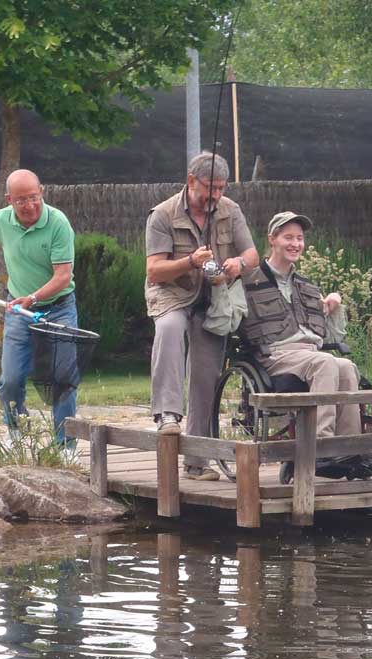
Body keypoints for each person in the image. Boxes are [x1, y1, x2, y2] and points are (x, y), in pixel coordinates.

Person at [145, 152, 258, 481]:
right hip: (172, 293)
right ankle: (167, 414)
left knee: (206, 373)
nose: (216, 195)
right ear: (191, 181)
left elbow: (252, 253)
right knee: (168, 328)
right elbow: (154, 271)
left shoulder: (230, 210)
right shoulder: (163, 215)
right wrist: (190, 262)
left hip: (213, 299)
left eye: (222, 188)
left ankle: (197, 461)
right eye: (210, 187)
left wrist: (239, 263)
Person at [0, 169, 79, 447]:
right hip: (19, 309)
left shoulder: (58, 223)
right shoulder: (1, 221)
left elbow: (63, 276)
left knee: (63, 379)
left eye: (34, 197)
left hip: (59, 307)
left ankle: (66, 445)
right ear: (9, 200)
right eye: (21, 200)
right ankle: (18, 433)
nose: (29, 205)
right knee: (11, 380)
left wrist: (33, 297)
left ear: (41, 191)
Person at [237, 211, 360, 441]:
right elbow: (229, 319)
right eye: (288, 237)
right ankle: (320, 443)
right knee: (325, 362)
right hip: (274, 356)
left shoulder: (307, 286)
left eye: (300, 238)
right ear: (272, 239)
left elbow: (330, 335)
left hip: (310, 354)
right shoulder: (248, 282)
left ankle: (350, 446)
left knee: (346, 366)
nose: (296, 244)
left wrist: (334, 307)